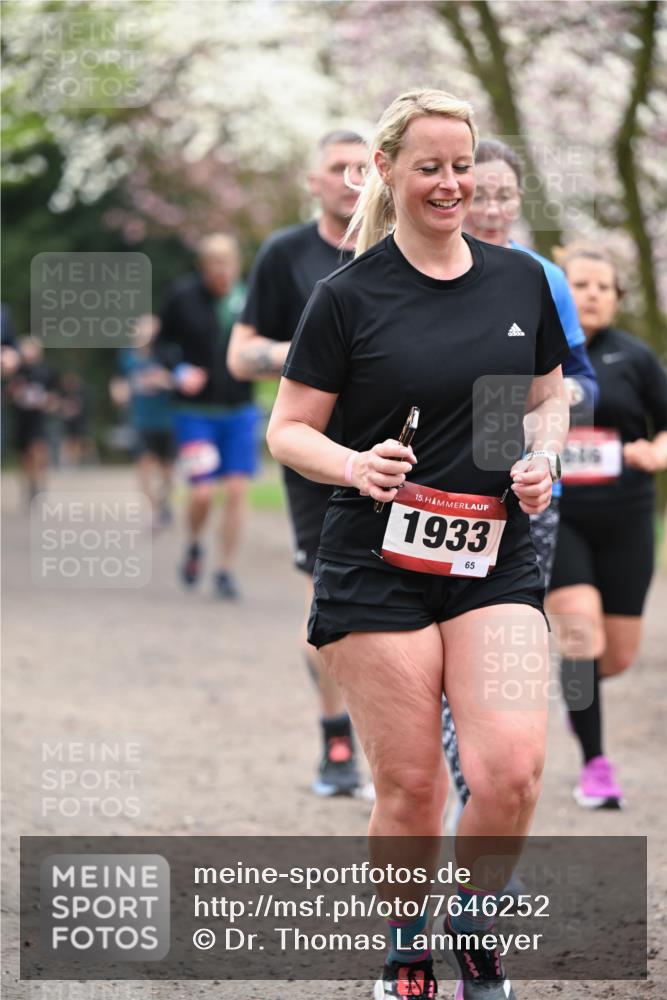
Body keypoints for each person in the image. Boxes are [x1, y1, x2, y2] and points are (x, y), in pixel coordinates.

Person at [267, 89, 570, 1000]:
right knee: (409, 789)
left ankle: (474, 923)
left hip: (493, 557)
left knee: (508, 771)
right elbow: (288, 431)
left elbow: (549, 396)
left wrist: (541, 459)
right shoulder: (346, 296)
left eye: (460, 165)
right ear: (388, 173)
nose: (449, 183)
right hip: (374, 561)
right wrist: (355, 465)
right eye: (429, 166)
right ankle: (406, 947)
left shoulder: (519, 279)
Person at [440, 138, 598, 813]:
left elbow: (580, 384)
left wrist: (548, 412)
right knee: (441, 649)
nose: (495, 209)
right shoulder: (419, 274)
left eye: (508, 195)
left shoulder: (541, 278)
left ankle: (486, 798)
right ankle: (466, 790)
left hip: (530, 492)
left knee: (502, 653)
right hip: (441, 486)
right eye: (485, 194)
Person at [228, 130, 369, 796]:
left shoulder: (400, 246)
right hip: (315, 451)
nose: (350, 178)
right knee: (332, 598)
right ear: (312, 182)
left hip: (405, 448)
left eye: (363, 167)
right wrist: (315, 354)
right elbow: (240, 354)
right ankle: (335, 739)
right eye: (336, 168)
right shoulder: (285, 254)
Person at [546, 243, 667, 809]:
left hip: (626, 519)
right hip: (558, 516)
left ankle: (580, 701)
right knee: (578, 633)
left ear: (618, 299)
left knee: (612, 656)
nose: (591, 293)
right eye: (580, 283)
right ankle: (596, 764)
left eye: (603, 286)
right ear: (559, 290)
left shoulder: (637, 359)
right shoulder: (535, 352)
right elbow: (492, 430)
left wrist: (656, 453)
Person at [157, 234, 258, 599]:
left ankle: (225, 569)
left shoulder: (249, 298)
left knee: (235, 490)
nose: (222, 272)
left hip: (239, 410)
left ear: (237, 266)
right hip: (195, 413)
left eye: (228, 264)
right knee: (201, 493)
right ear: (203, 268)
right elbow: (161, 344)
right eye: (214, 265)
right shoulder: (181, 296)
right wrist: (178, 368)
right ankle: (195, 542)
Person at [112, 315, 176, 529]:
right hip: (141, 421)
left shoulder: (167, 354)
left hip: (167, 420)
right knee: (144, 466)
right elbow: (119, 380)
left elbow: (180, 379)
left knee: (167, 469)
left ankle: (164, 502)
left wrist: (165, 380)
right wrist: (119, 393)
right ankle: (154, 512)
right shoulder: (128, 357)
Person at [8, 336, 60, 503]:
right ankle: (29, 486)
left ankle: (39, 485)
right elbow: (9, 395)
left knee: (38, 451)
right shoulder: (16, 371)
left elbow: (55, 398)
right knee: (25, 456)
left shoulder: (47, 371)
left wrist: (46, 400)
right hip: (22, 418)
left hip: (40, 418)